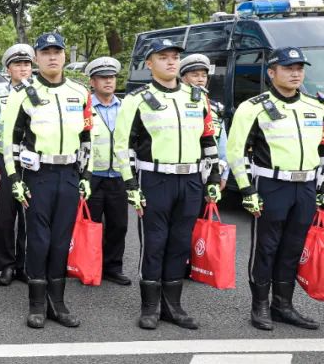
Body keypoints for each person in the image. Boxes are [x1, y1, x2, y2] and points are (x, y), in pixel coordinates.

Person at [114, 38, 221, 331]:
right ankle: (150, 307)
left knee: (180, 243)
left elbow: (208, 139)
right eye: (163, 57)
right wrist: (130, 184)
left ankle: (173, 306)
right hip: (155, 179)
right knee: (155, 243)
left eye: (174, 56)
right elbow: (123, 145)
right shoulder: (137, 99)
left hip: (191, 180)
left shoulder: (196, 97)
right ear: (149, 64)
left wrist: (213, 177)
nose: (171, 61)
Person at [228, 47, 321, 331]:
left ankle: (283, 305)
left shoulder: (316, 106)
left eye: (299, 68)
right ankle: (259, 306)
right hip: (272, 186)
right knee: (266, 248)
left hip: (306, 187)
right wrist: (246, 190)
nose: (295, 73)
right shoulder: (252, 107)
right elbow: (235, 152)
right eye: (288, 68)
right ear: (271, 72)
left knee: (293, 248)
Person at [1, 32, 91, 329]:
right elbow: (9, 140)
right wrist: (14, 178)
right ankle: (37, 304)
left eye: (57, 51)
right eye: (45, 52)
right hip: (37, 176)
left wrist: (86, 175)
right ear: (37, 58)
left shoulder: (80, 92)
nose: (52, 57)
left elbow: (87, 138)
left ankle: (58, 303)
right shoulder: (22, 93)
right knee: (39, 241)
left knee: (62, 240)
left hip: (69, 174)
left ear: (64, 55)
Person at [0, 44, 34, 286]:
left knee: (29, 214)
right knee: (6, 214)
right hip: (5, 162)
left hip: (33, 163)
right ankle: (6, 265)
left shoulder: (39, 94)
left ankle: (24, 265)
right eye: (18, 64)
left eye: (27, 64)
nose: (23, 68)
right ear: (8, 69)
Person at [84, 57, 131, 286]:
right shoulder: (85, 107)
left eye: (111, 77)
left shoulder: (125, 108)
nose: (108, 81)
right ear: (93, 82)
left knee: (118, 225)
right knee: (90, 225)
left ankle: (113, 267)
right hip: (93, 175)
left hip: (119, 176)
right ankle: (88, 266)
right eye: (103, 77)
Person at [179, 54, 229, 190]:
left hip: (211, 173)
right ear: (183, 78)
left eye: (204, 75)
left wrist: (223, 174)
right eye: (195, 75)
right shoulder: (175, 105)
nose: (200, 79)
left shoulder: (215, 107)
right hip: (185, 173)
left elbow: (222, 144)